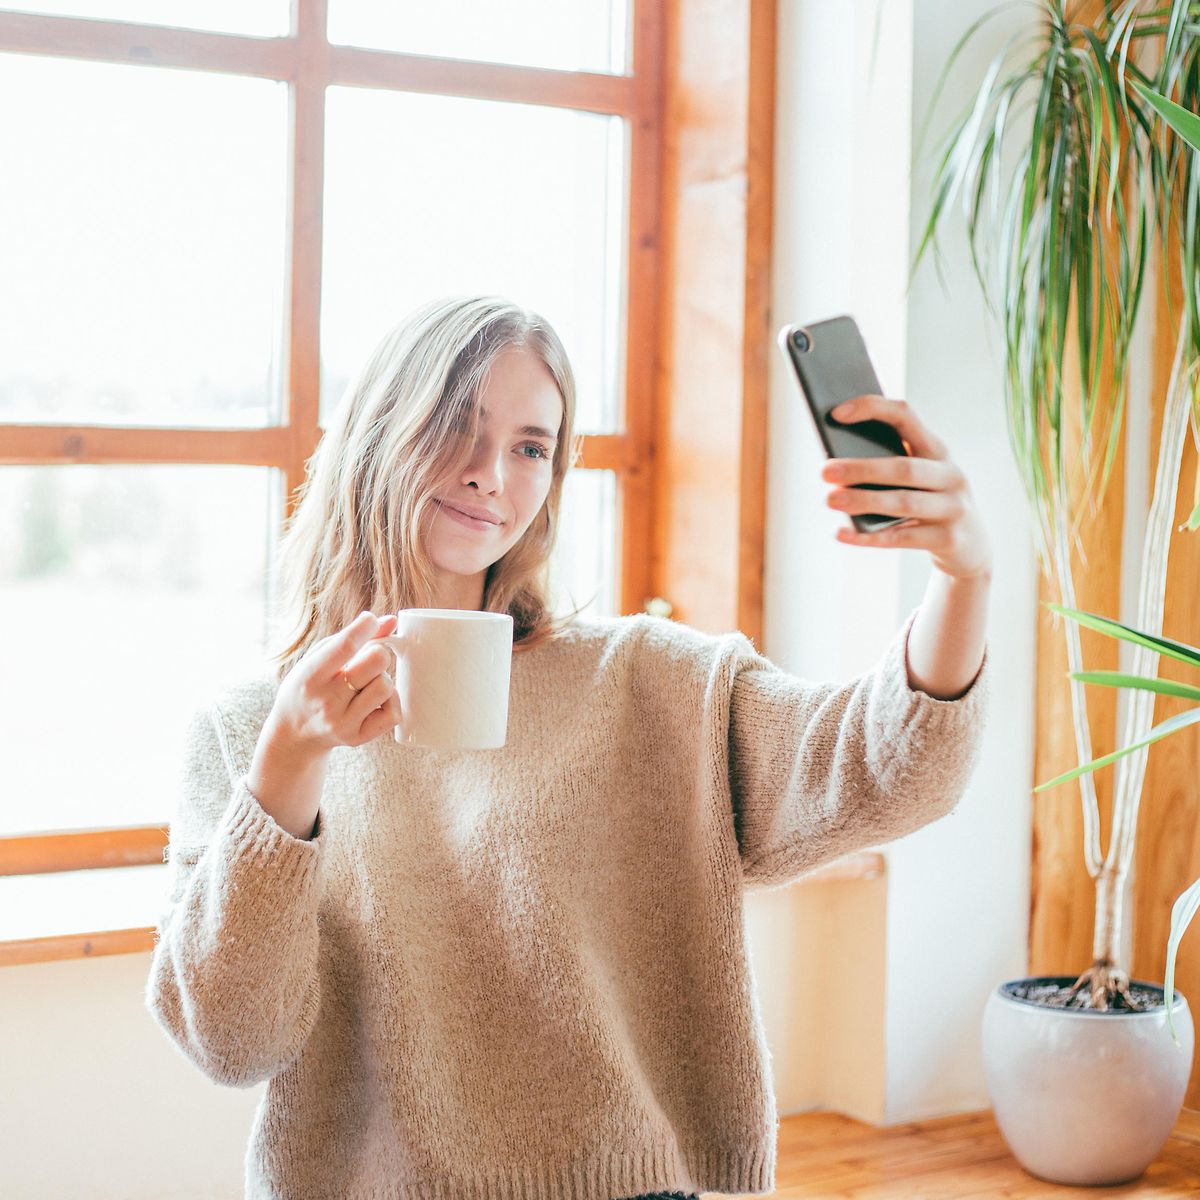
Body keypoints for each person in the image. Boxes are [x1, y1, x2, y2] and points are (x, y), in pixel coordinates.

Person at [145, 295, 990, 1200]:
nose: (489, 475)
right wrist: (289, 766)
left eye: (531, 447)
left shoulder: (646, 683)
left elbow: (889, 770)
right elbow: (232, 1042)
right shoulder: (248, 731)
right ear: (377, 433)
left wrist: (964, 576)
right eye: (457, 426)